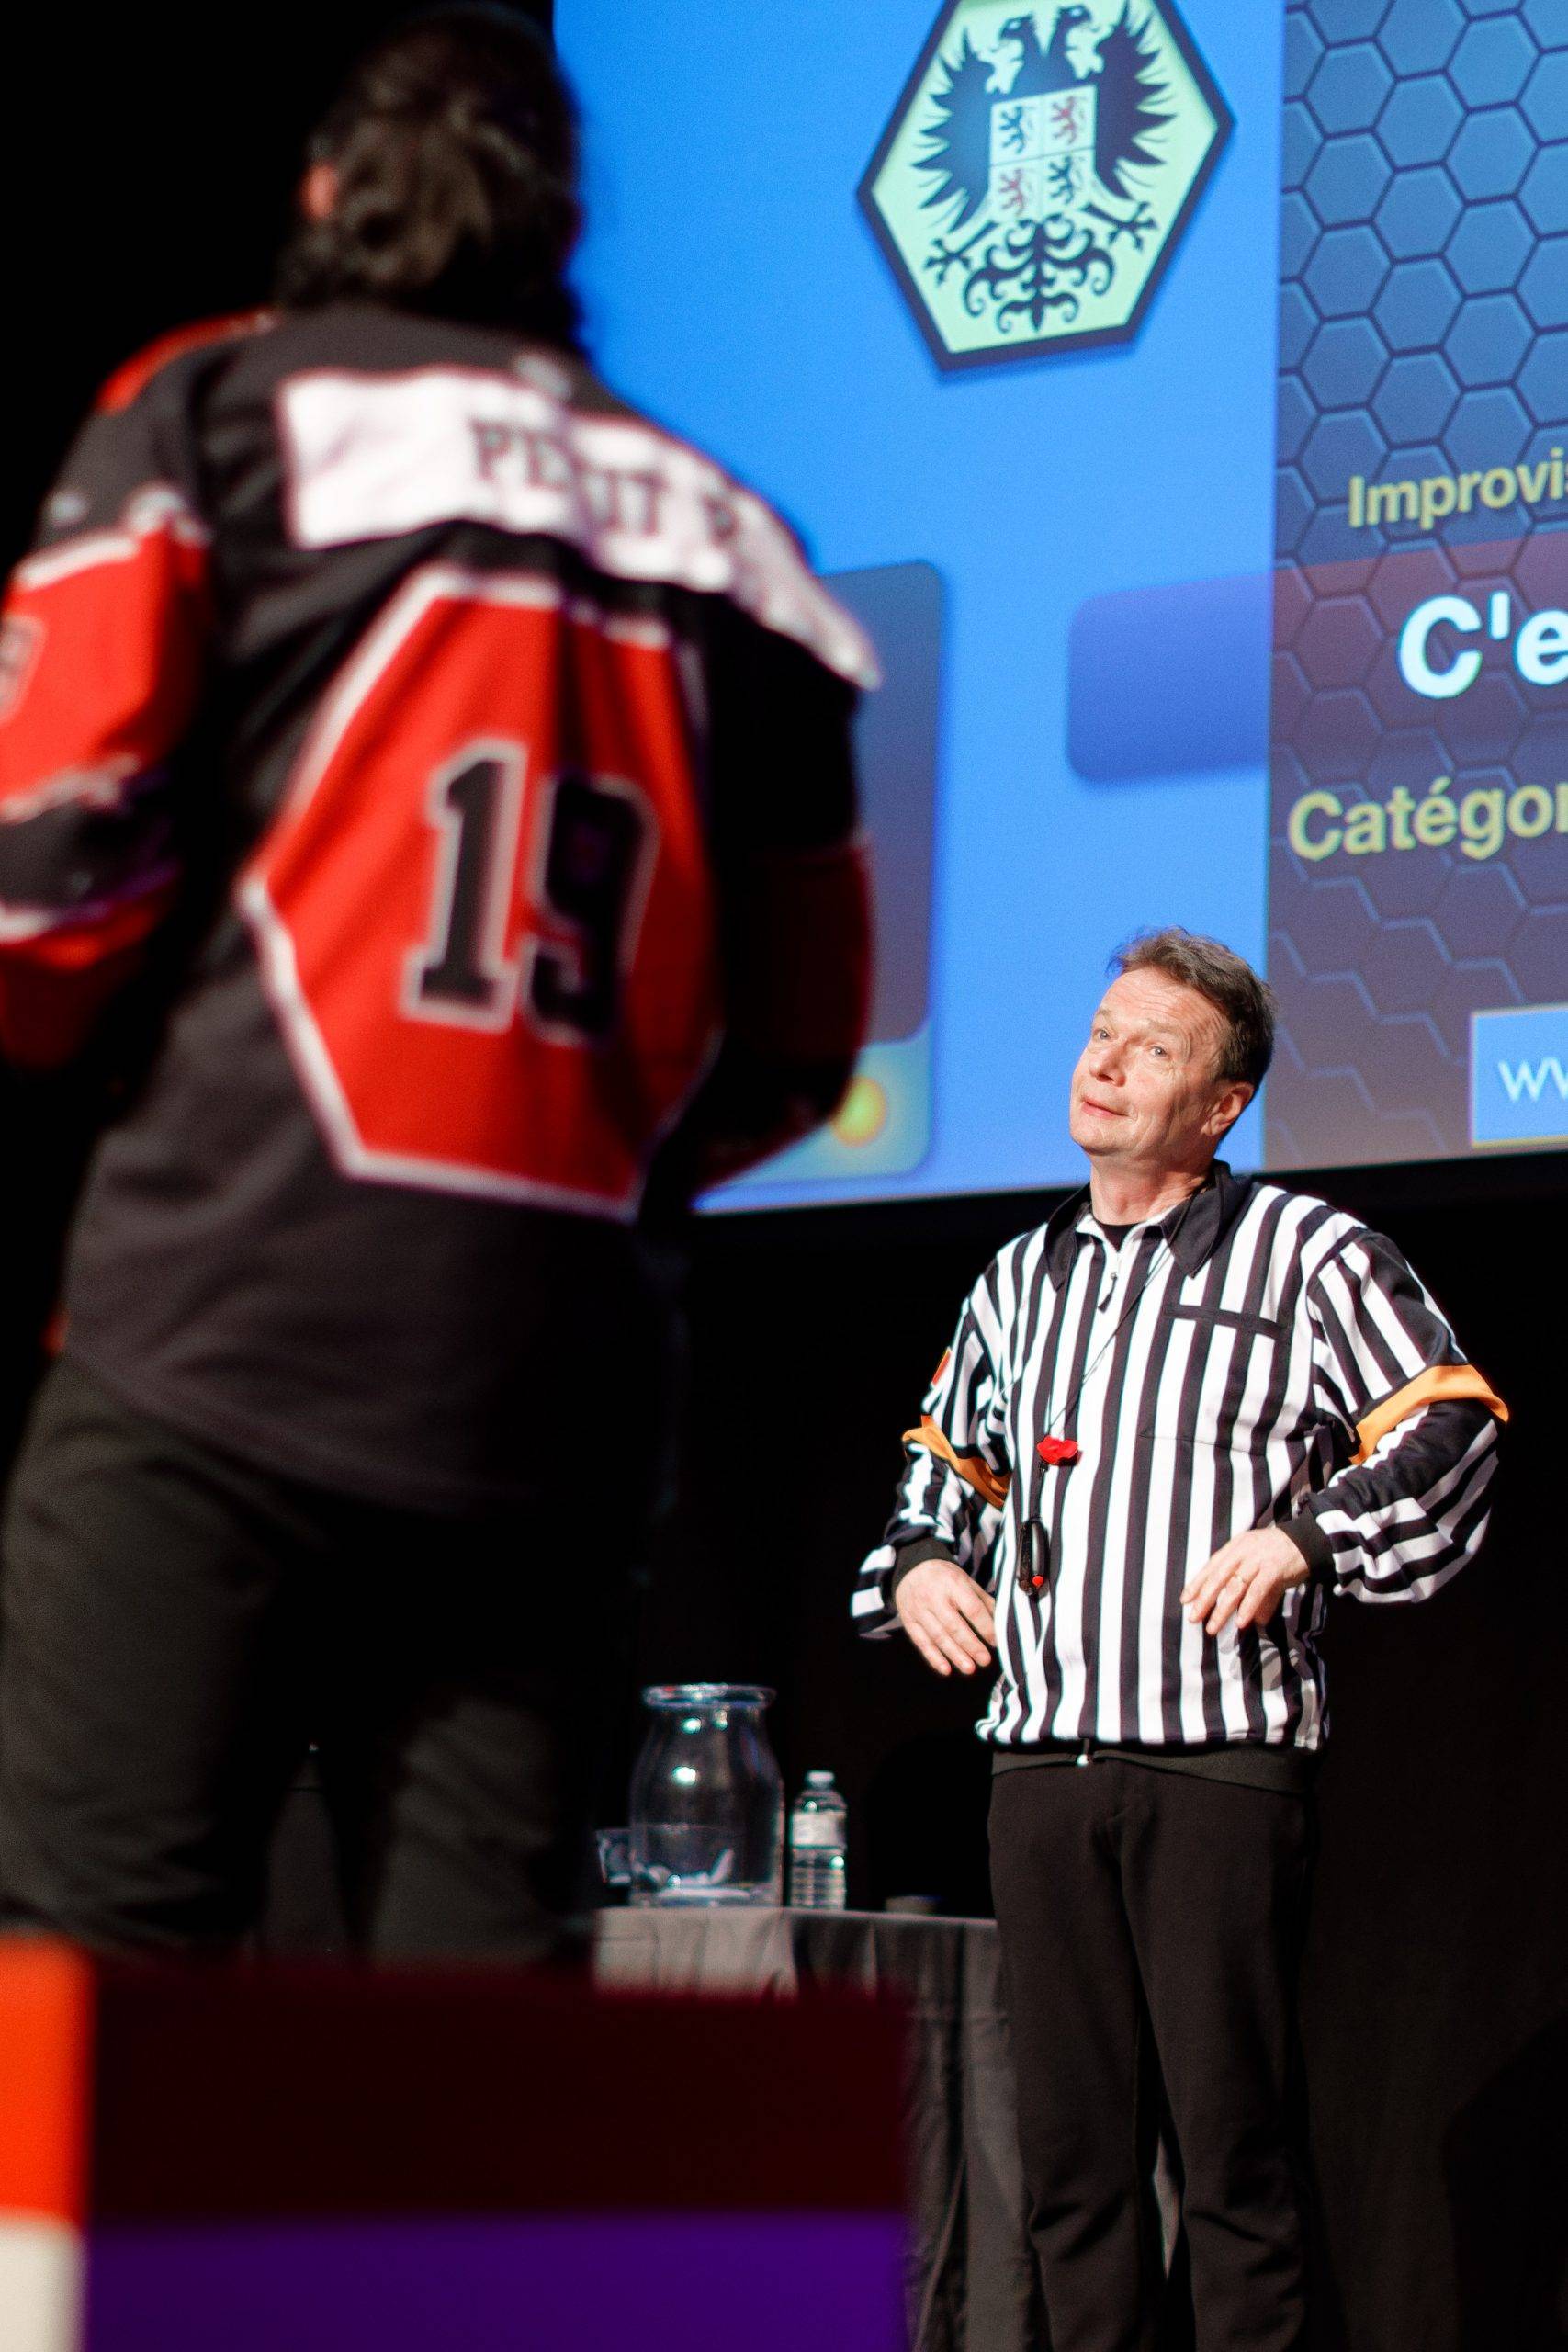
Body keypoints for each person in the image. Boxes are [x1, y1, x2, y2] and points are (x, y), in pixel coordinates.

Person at [0, 6, 873, 1961]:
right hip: (547, 1394)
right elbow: (810, 1044)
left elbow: (35, 914)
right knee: (469, 2070)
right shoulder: (749, 549)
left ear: (325, 194)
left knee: (97, 2007)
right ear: (567, 227)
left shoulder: (214, 414)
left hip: (218, 1327)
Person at [852, 930, 1504, 2352]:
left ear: (1219, 1106)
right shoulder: (1018, 1280)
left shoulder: (1308, 1252)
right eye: (1102, 1030)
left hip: (1218, 1762)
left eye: (1154, 1047)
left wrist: (1309, 1538)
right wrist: (913, 1571)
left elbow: (1452, 1423)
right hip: (1039, 1770)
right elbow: (938, 1479)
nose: (1106, 1061)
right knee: (1074, 2173)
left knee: (1231, 2163)